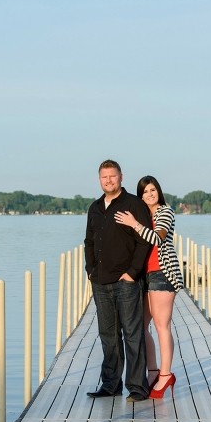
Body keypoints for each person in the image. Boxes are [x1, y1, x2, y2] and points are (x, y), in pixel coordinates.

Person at [84, 160, 153, 402]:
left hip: (127, 281)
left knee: (133, 334)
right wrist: (90, 269)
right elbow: (89, 242)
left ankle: (137, 388)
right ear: (99, 179)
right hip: (100, 282)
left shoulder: (134, 204)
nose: (108, 181)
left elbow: (144, 240)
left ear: (121, 177)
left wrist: (133, 272)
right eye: (104, 177)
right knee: (108, 335)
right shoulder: (95, 208)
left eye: (112, 176)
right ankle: (111, 384)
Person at [114, 176, 184, 399]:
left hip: (162, 273)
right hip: (144, 274)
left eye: (153, 190)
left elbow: (158, 239)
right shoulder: (143, 214)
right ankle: (152, 371)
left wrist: (134, 224)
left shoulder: (165, 212)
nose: (150, 194)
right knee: (141, 326)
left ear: (158, 191)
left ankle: (165, 376)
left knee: (162, 325)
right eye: (145, 192)